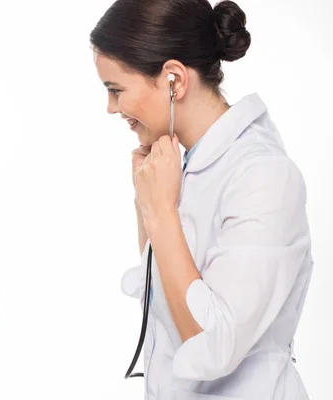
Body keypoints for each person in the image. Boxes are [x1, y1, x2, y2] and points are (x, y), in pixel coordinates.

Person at [90, 0, 313, 398]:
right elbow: (163, 296)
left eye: (116, 90)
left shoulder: (262, 175)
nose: (110, 108)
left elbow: (211, 348)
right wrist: (148, 202)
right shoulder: (181, 166)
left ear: (174, 80)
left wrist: (159, 212)